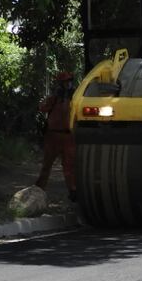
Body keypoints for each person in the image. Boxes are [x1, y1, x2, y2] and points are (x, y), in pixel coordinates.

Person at [36, 72, 78, 200]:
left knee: (69, 166)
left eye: (69, 81)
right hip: (53, 136)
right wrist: (52, 97)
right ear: (60, 84)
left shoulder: (76, 98)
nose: (68, 83)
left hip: (68, 137)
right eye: (65, 81)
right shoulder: (54, 98)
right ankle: (38, 190)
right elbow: (42, 108)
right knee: (47, 165)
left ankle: (73, 192)